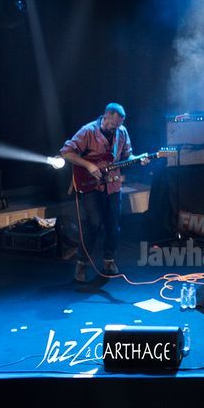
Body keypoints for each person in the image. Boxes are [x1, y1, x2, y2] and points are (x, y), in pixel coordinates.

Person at [60, 103, 146, 283]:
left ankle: (109, 261)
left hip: (113, 184)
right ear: (106, 116)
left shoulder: (122, 132)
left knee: (113, 226)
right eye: (113, 124)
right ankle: (81, 263)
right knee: (94, 224)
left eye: (119, 124)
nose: (116, 128)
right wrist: (89, 165)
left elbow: (127, 156)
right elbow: (66, 153)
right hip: (90, 184)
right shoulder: (88, 131)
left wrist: (138, 159)